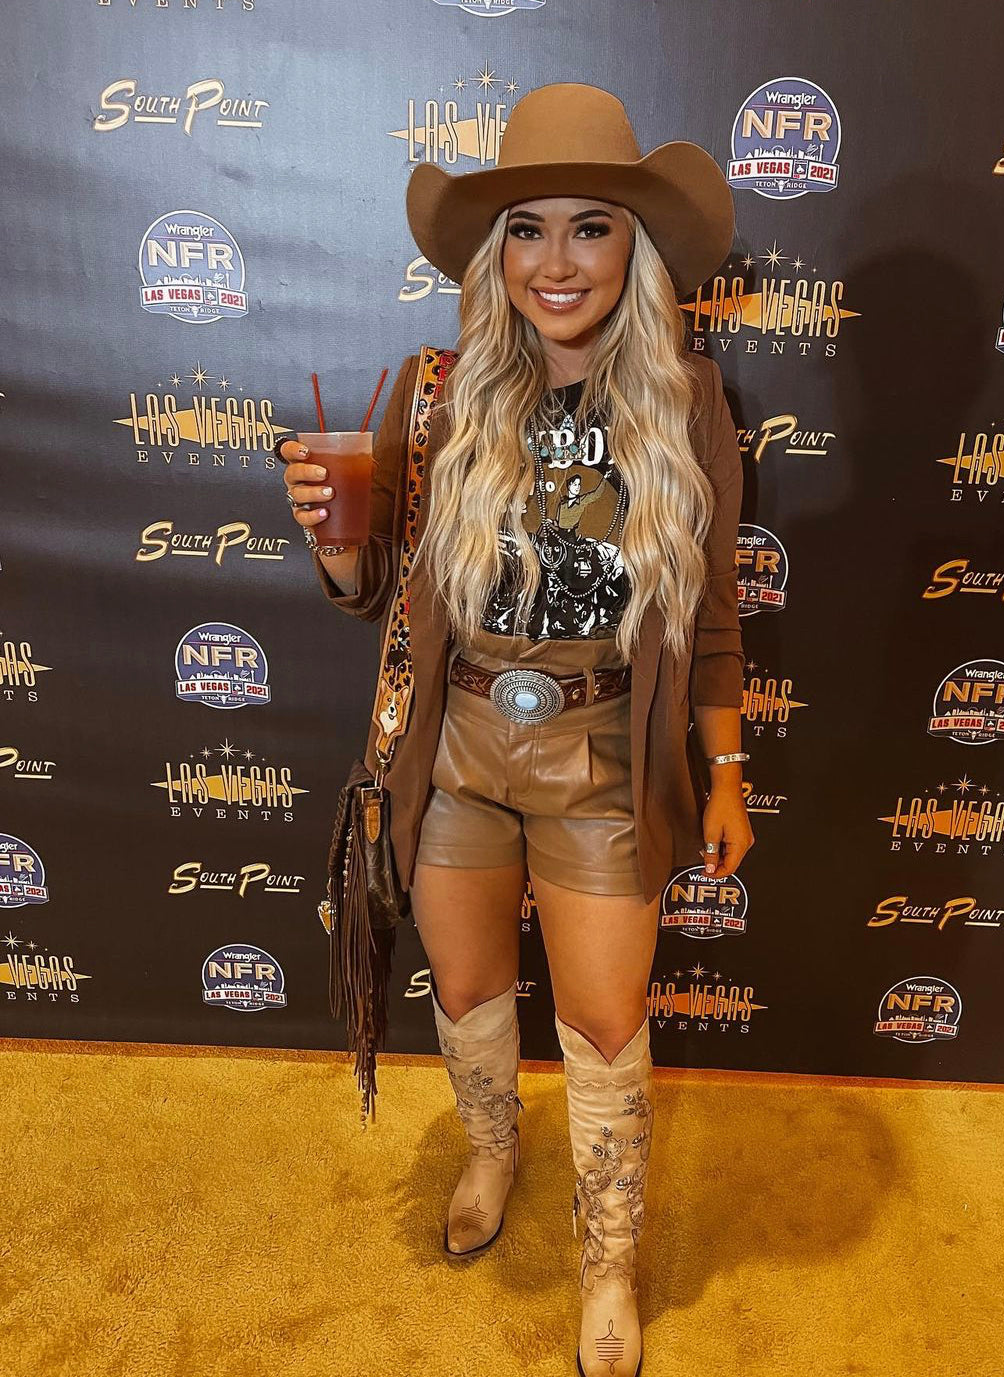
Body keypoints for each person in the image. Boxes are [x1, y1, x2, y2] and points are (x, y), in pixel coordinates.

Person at [277, 82, 754, 1377]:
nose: (556, 261)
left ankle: (609, 1255)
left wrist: (723, 771)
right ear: (494, 252)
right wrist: (333, 541)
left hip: (604, 758)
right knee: (469, 988)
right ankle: (492, 1149)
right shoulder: (436, 395)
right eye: (527, 230)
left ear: (634, 248)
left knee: (603, 1019)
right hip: (458, 756)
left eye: (590, 227)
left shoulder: (688, 401)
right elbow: (372, 591)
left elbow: (712, 618)